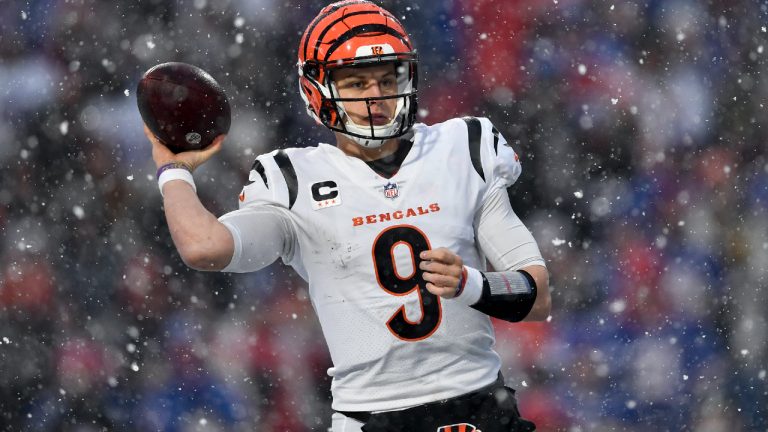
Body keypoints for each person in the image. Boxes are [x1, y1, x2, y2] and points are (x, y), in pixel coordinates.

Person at [144, 1, 551, 430]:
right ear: (317, 89)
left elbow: (536, 295)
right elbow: (205, 248)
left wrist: (471, 284)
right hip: (370, 417)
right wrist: (175, 171)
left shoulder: (462, 147)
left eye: (386, 78)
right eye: (357, 83)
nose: (376, 97)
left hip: (478, 409)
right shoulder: (292, 178)